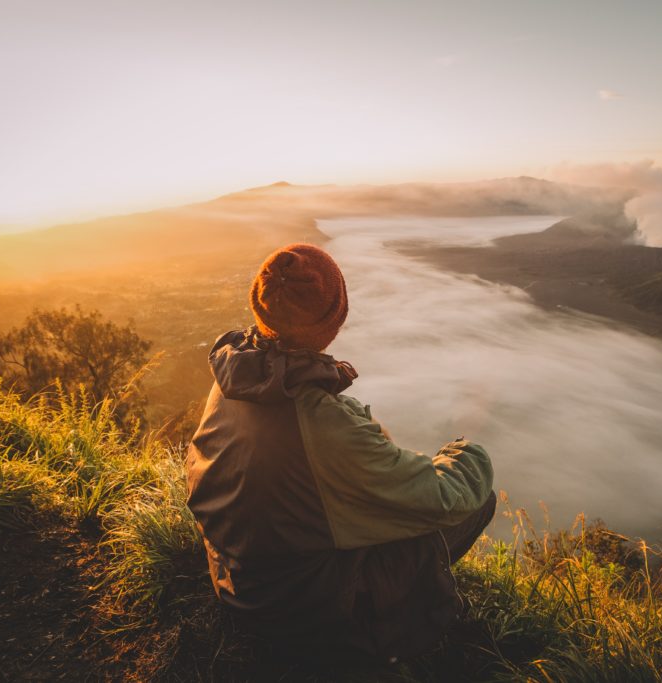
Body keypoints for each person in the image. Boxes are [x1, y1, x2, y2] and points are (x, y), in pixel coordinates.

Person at [185, 243, 495, 662]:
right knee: (476, 501)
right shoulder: (321, 423)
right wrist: (466, 447)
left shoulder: (235, 377)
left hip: (237, 583)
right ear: (335, 317)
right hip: (299, 615)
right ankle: (409, 626)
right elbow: (445, 496)